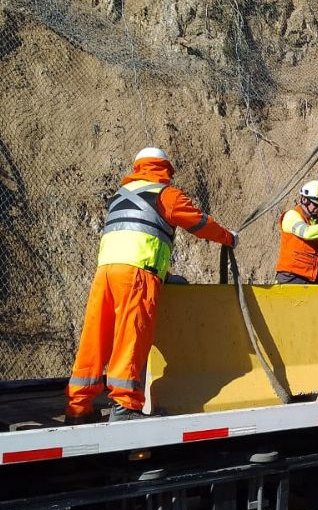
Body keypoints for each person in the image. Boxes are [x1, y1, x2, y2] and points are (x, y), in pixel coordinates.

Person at [66, 147, 237, 424]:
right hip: (137, 276)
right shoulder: (165, 195)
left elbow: (136, 234)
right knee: (131, 336)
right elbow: (199, 222)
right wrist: (228, 237)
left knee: (96, 336)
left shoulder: (118, 198)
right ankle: (124, 406)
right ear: (164, 168)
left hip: (105, 272)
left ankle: (78, 406)